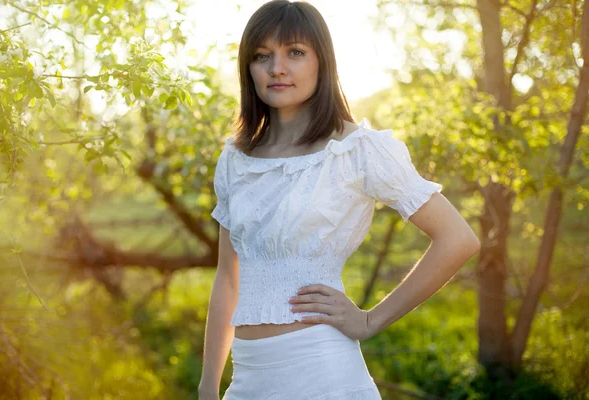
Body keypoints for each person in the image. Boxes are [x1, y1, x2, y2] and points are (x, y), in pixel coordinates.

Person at [199, 1, 481, 399]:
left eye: (295, 52)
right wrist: (209, 383)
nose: (277, 67)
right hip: (248, 379)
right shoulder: (236, 159)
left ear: (322, 62)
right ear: (248, 68)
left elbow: (458, 239)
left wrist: (370, 321)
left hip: (324, 373)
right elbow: (229, 278)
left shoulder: (359, 151)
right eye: (262, 56)